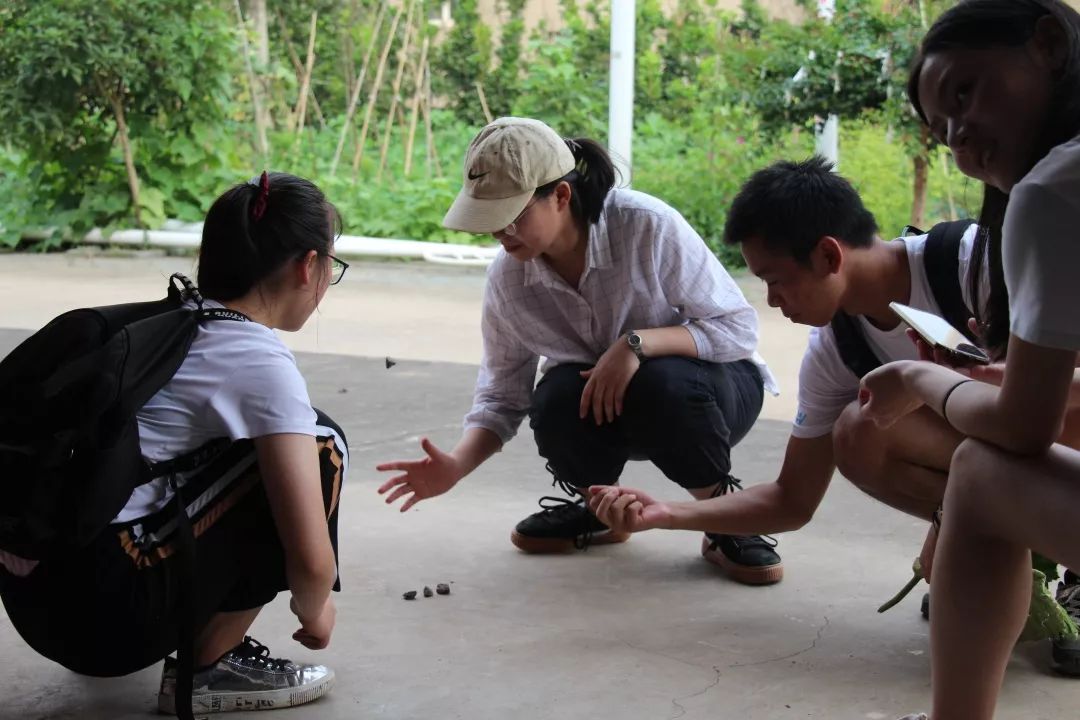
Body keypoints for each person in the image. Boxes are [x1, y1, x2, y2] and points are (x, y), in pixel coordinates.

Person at [588, 156, 1079, 671]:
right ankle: (997, 537)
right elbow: (791, 499)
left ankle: (1045, 555)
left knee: (1032, 404)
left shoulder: (975, 264)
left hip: (1054, 433)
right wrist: (667, 514)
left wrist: (998, 378)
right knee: (858, 431)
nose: (773, 301)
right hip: (998, 454)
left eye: (775, 280)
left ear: (827, 255)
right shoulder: (836, 348)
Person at [0, 172, 350, 715]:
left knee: (281, 437)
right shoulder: (257, 359)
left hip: (37, 602)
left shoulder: (166, 325)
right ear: (308, 267)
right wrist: (317, 607)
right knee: (322, 442)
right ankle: (212, 667)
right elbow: (310, 559)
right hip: (106, 618)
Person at [376, 116, 782, 585]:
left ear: (561, 196)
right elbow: (503, 396)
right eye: (490, 221)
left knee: (658, 381)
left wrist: (636, 345)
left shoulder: (645, 226)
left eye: (513, 216)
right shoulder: (509, 281)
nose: (500, 234)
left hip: (713, 390)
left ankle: (722, 517)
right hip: (616, 408)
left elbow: (737, 329)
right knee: (555, 397)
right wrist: (456, 467)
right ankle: (601, 508)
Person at [856, 1, 1080, 717]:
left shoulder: (1052, 192)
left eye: (965, 92)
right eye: (942, 129)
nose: (960, 136)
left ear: (1046, 43)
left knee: (982, 473)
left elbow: (1021, 430)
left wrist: (920, 377)